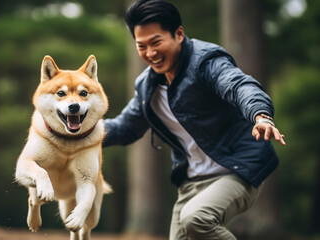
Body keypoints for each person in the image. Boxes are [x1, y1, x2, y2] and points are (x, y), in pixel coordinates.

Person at [102, 0, 286, 239]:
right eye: (142, 46)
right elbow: (125, 127)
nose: (150, 53)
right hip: (191, 184)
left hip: (235, 170)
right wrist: (72, 134)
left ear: (179, 34)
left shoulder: (205, 61)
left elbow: (239, 86)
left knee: (196, 218)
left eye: (156, 42)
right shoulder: (147, 87)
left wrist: (260, 115)